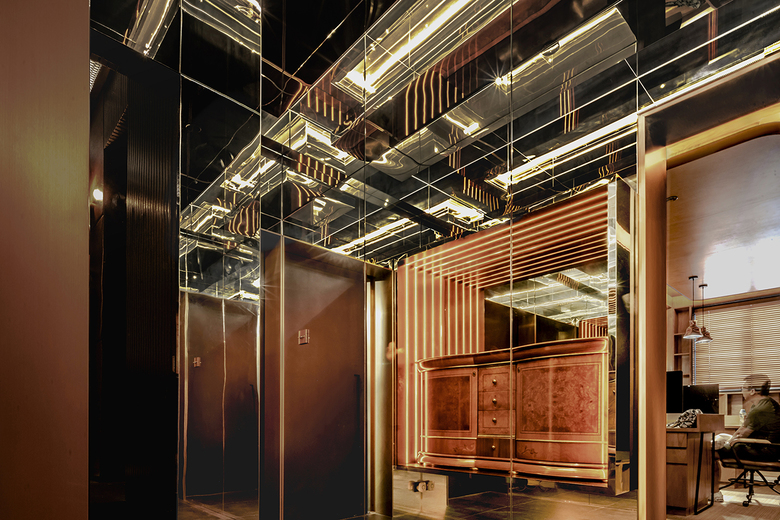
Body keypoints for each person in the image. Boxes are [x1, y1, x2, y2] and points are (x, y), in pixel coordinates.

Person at [712, 374, 780, 502]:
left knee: (711, 452)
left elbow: (741, 435)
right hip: (771, 448)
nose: (741, 390)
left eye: (743, 388)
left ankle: (715, 493)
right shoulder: (768, 403)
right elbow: (742, 431)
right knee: (722, 443)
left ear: (752, 391)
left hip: (766, 451)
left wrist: (724, 443)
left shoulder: (760, 409)